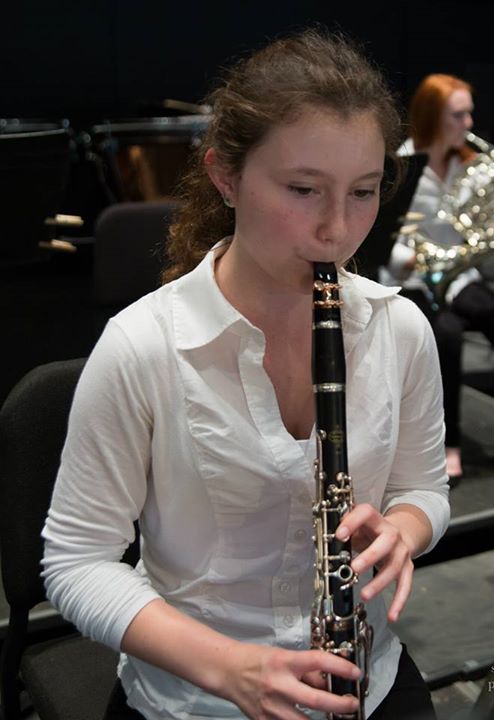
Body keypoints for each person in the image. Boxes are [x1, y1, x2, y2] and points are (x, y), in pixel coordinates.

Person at [41, 30, 450, 720]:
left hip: (364, 679)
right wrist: (230, 668)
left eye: (364, 192)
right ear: (226, 176)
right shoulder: (143, 347)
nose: (337, 231)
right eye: (303, 189)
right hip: (196, 699)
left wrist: (404, 530)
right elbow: (75, 563)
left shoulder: (400, 329)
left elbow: (424, 487)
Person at [386, 73, 494, 483]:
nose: (469, 123)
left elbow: (488, 226)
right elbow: (387, 231)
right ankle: (448, 444)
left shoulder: (470, 163)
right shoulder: (401, 164)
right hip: (413, 277)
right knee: (448, 339)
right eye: (459, 115)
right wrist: (414, 261)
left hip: (458, 274)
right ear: (433, 116)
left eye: (469, 112)